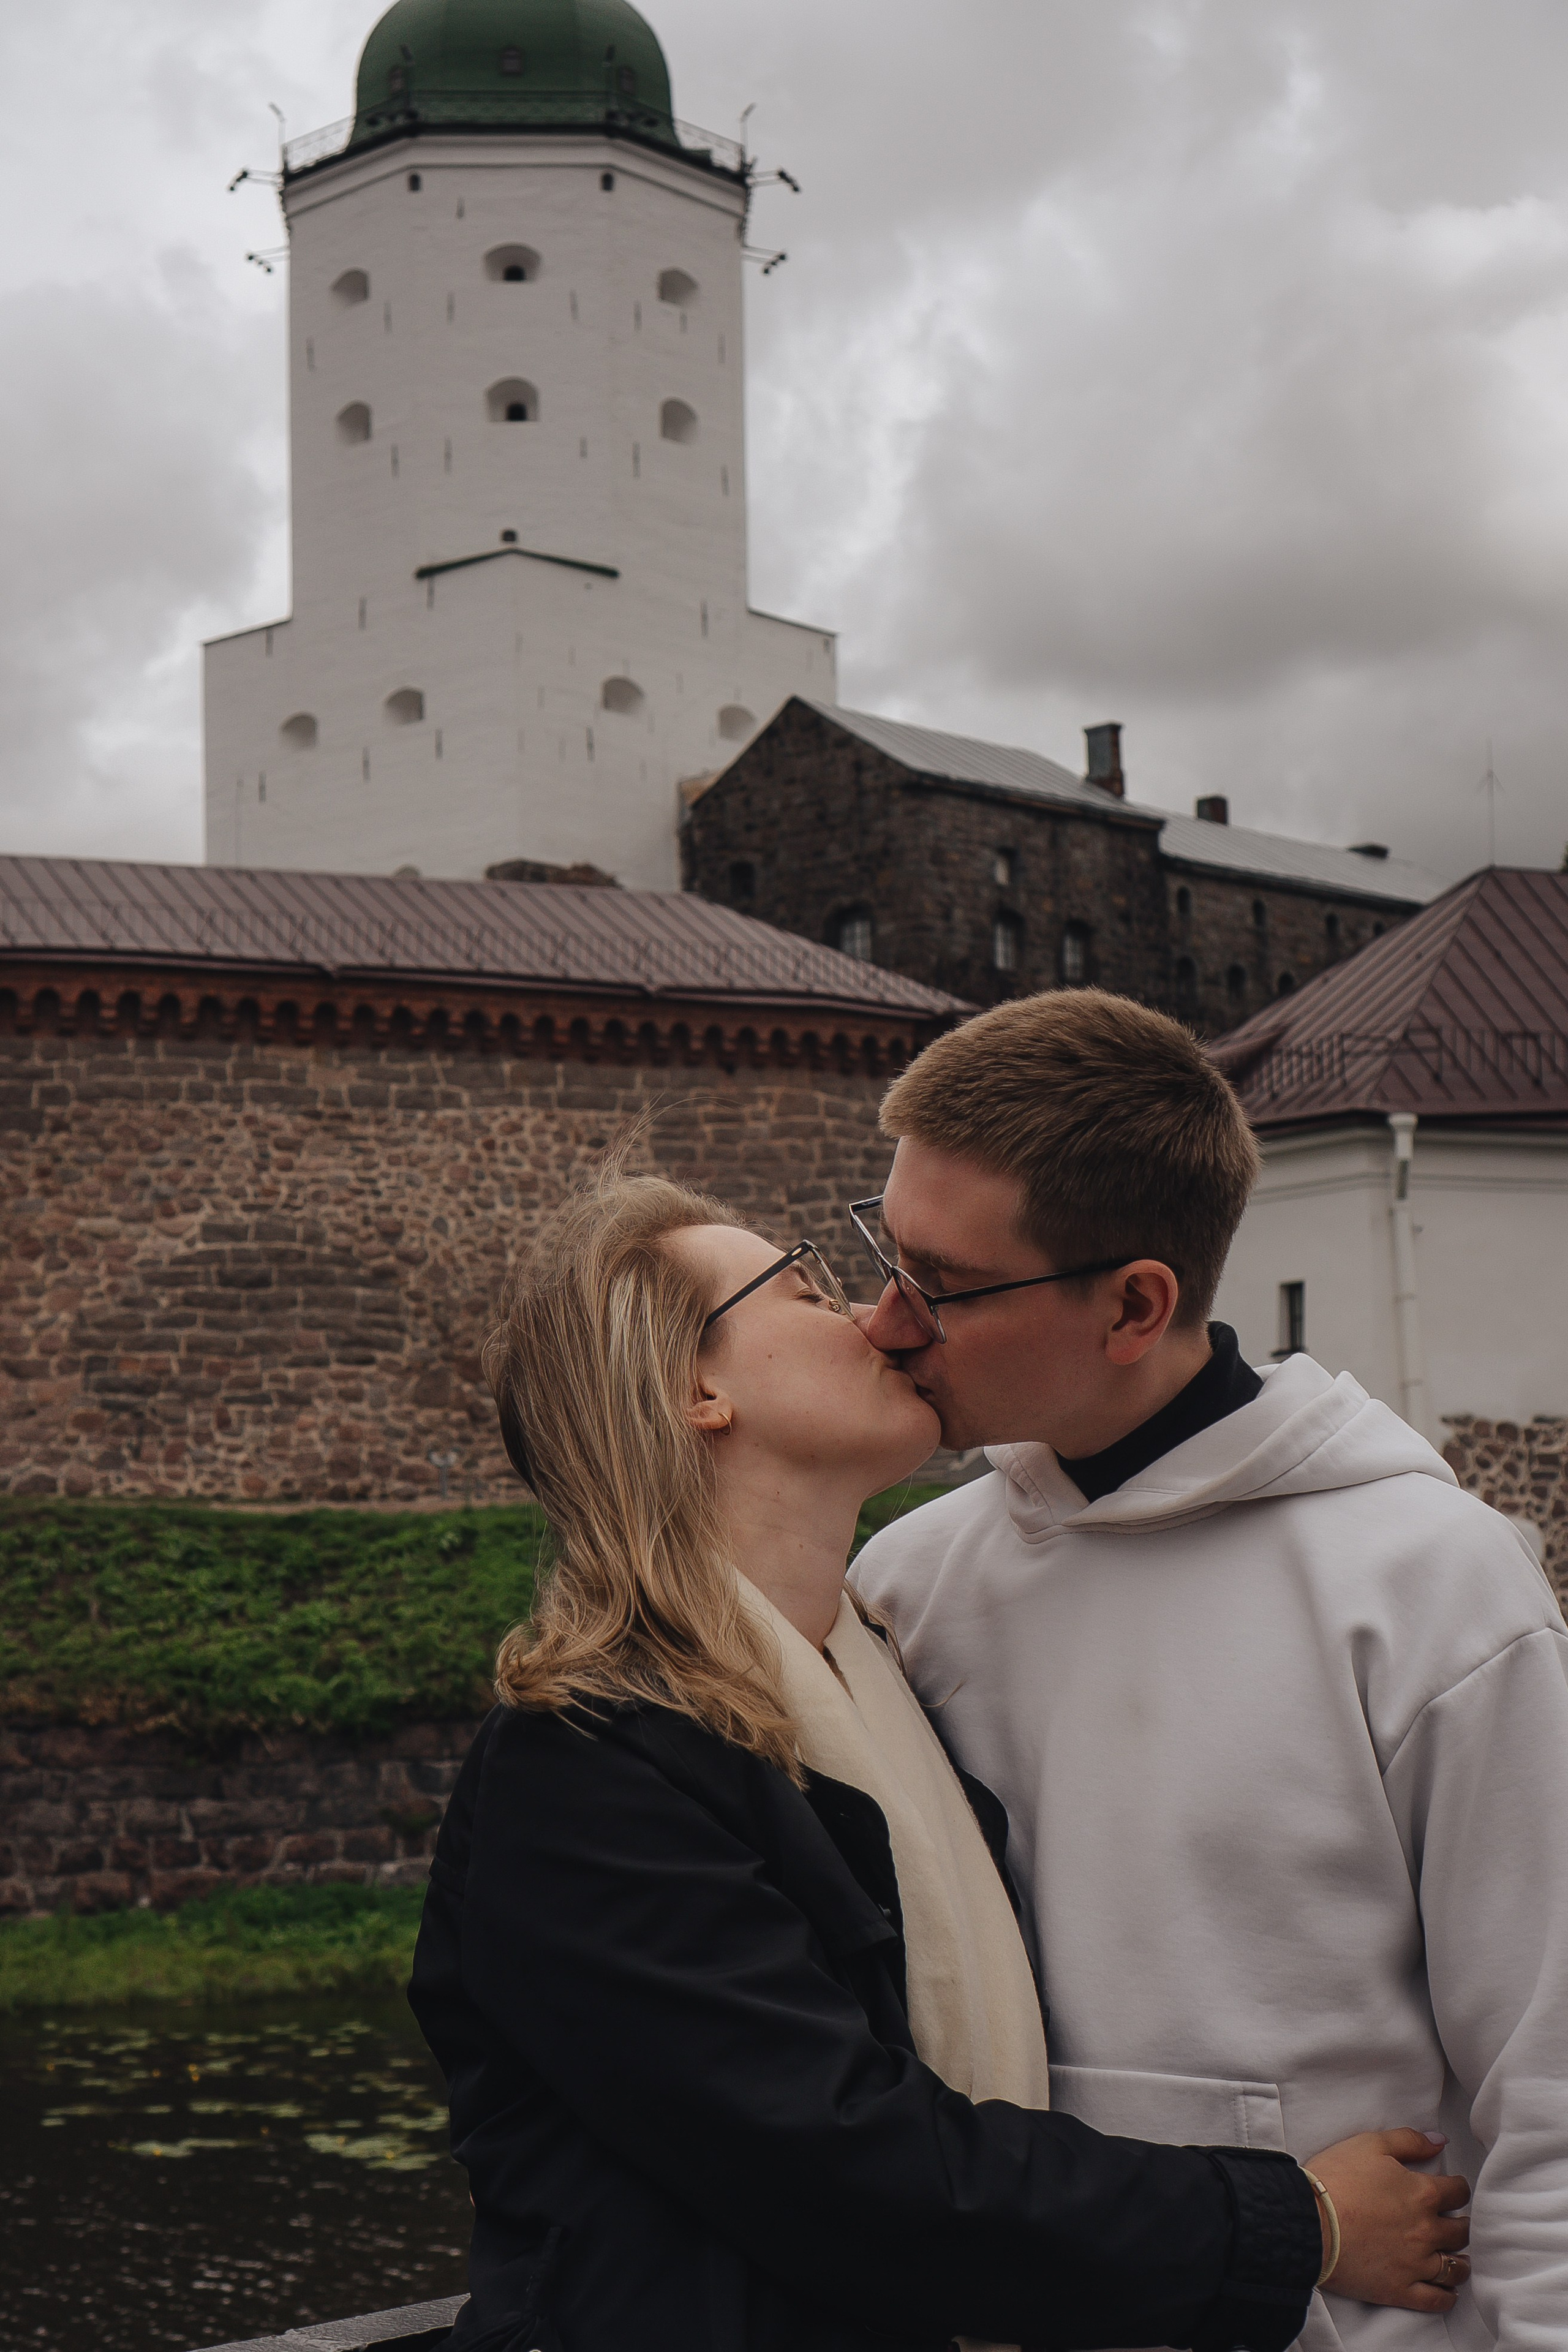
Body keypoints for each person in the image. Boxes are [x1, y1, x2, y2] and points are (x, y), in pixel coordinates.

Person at [409, 1166, 1468, 2352]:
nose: (878, 1316)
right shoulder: (583, 1767)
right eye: (802, 1289)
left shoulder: (881, 1679)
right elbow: (854, 2168)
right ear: (692, 1389)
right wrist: (1298, 2223)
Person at [851, 987, 1568, 2352]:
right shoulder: (907, 1588)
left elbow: (1551, 2080)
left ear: (1133, 1305)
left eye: (936, 1286)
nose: (885, 1322)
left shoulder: (1431, 1587)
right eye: (884, 1258)